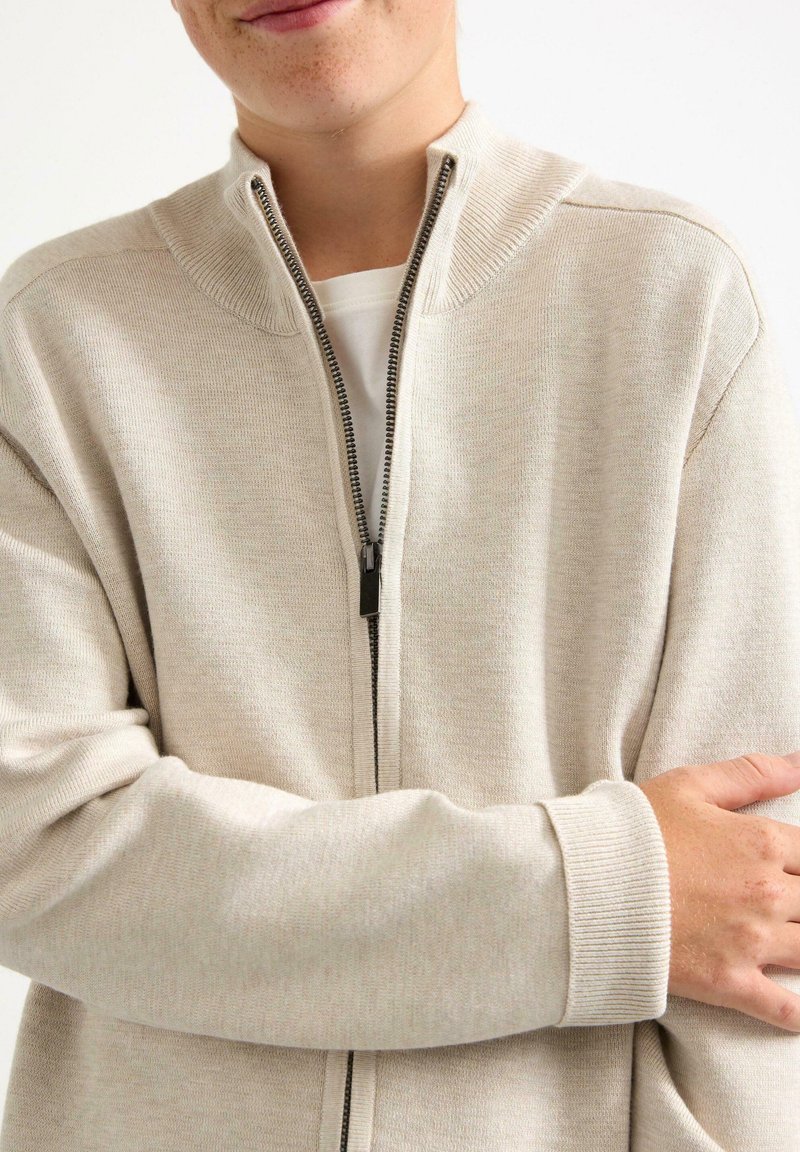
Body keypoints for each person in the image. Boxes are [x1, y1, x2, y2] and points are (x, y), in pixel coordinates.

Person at [1, 1, 799, 1149]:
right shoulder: (55, 335)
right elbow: (32, 848)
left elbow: (750, 908)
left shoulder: (671, 294)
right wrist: (602, 898)